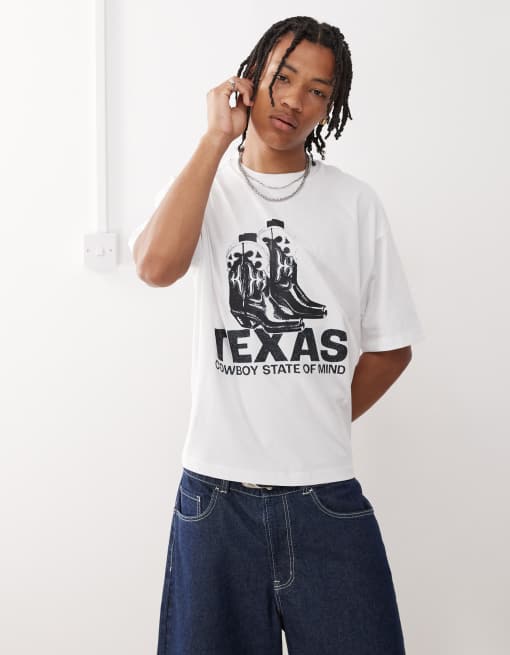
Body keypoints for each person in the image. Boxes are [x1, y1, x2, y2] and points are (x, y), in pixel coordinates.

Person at [129, 15, 425, 655]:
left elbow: (391, 346)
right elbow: (154, 267)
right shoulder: (205, 187)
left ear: (331, 107)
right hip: (214, 501)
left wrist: (317, 410)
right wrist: (215, 139)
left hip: (327, 499)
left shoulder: (354, 203)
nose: (294, 100)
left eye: (318, 90)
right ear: (251, 76)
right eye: (283, 78)